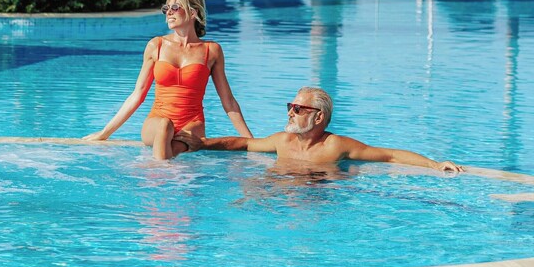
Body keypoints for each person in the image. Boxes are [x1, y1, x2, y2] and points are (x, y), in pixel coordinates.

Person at [83, 0, 253, 160]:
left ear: (193, 12)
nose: (169, 12)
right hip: (157, 122)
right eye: (166, 8)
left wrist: (251, 142)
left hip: (192, 124)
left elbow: (228, 102)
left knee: (174, 147)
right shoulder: (155, 46)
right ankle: (167, 177)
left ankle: (160, 177)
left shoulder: (211, 51)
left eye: (175, 7)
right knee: (165, 126)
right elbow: (137, 95)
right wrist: (104, 133)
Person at [180, 86, 463, 173]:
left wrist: (435, 164)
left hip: (317, 200)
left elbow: (388, 156)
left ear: (318, 118)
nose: (291, 112)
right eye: (291, 106)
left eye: (299, 108)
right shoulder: (283, 141)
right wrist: (203, 143)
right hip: (279, 194)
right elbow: (242, 145)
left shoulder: (335, 146)